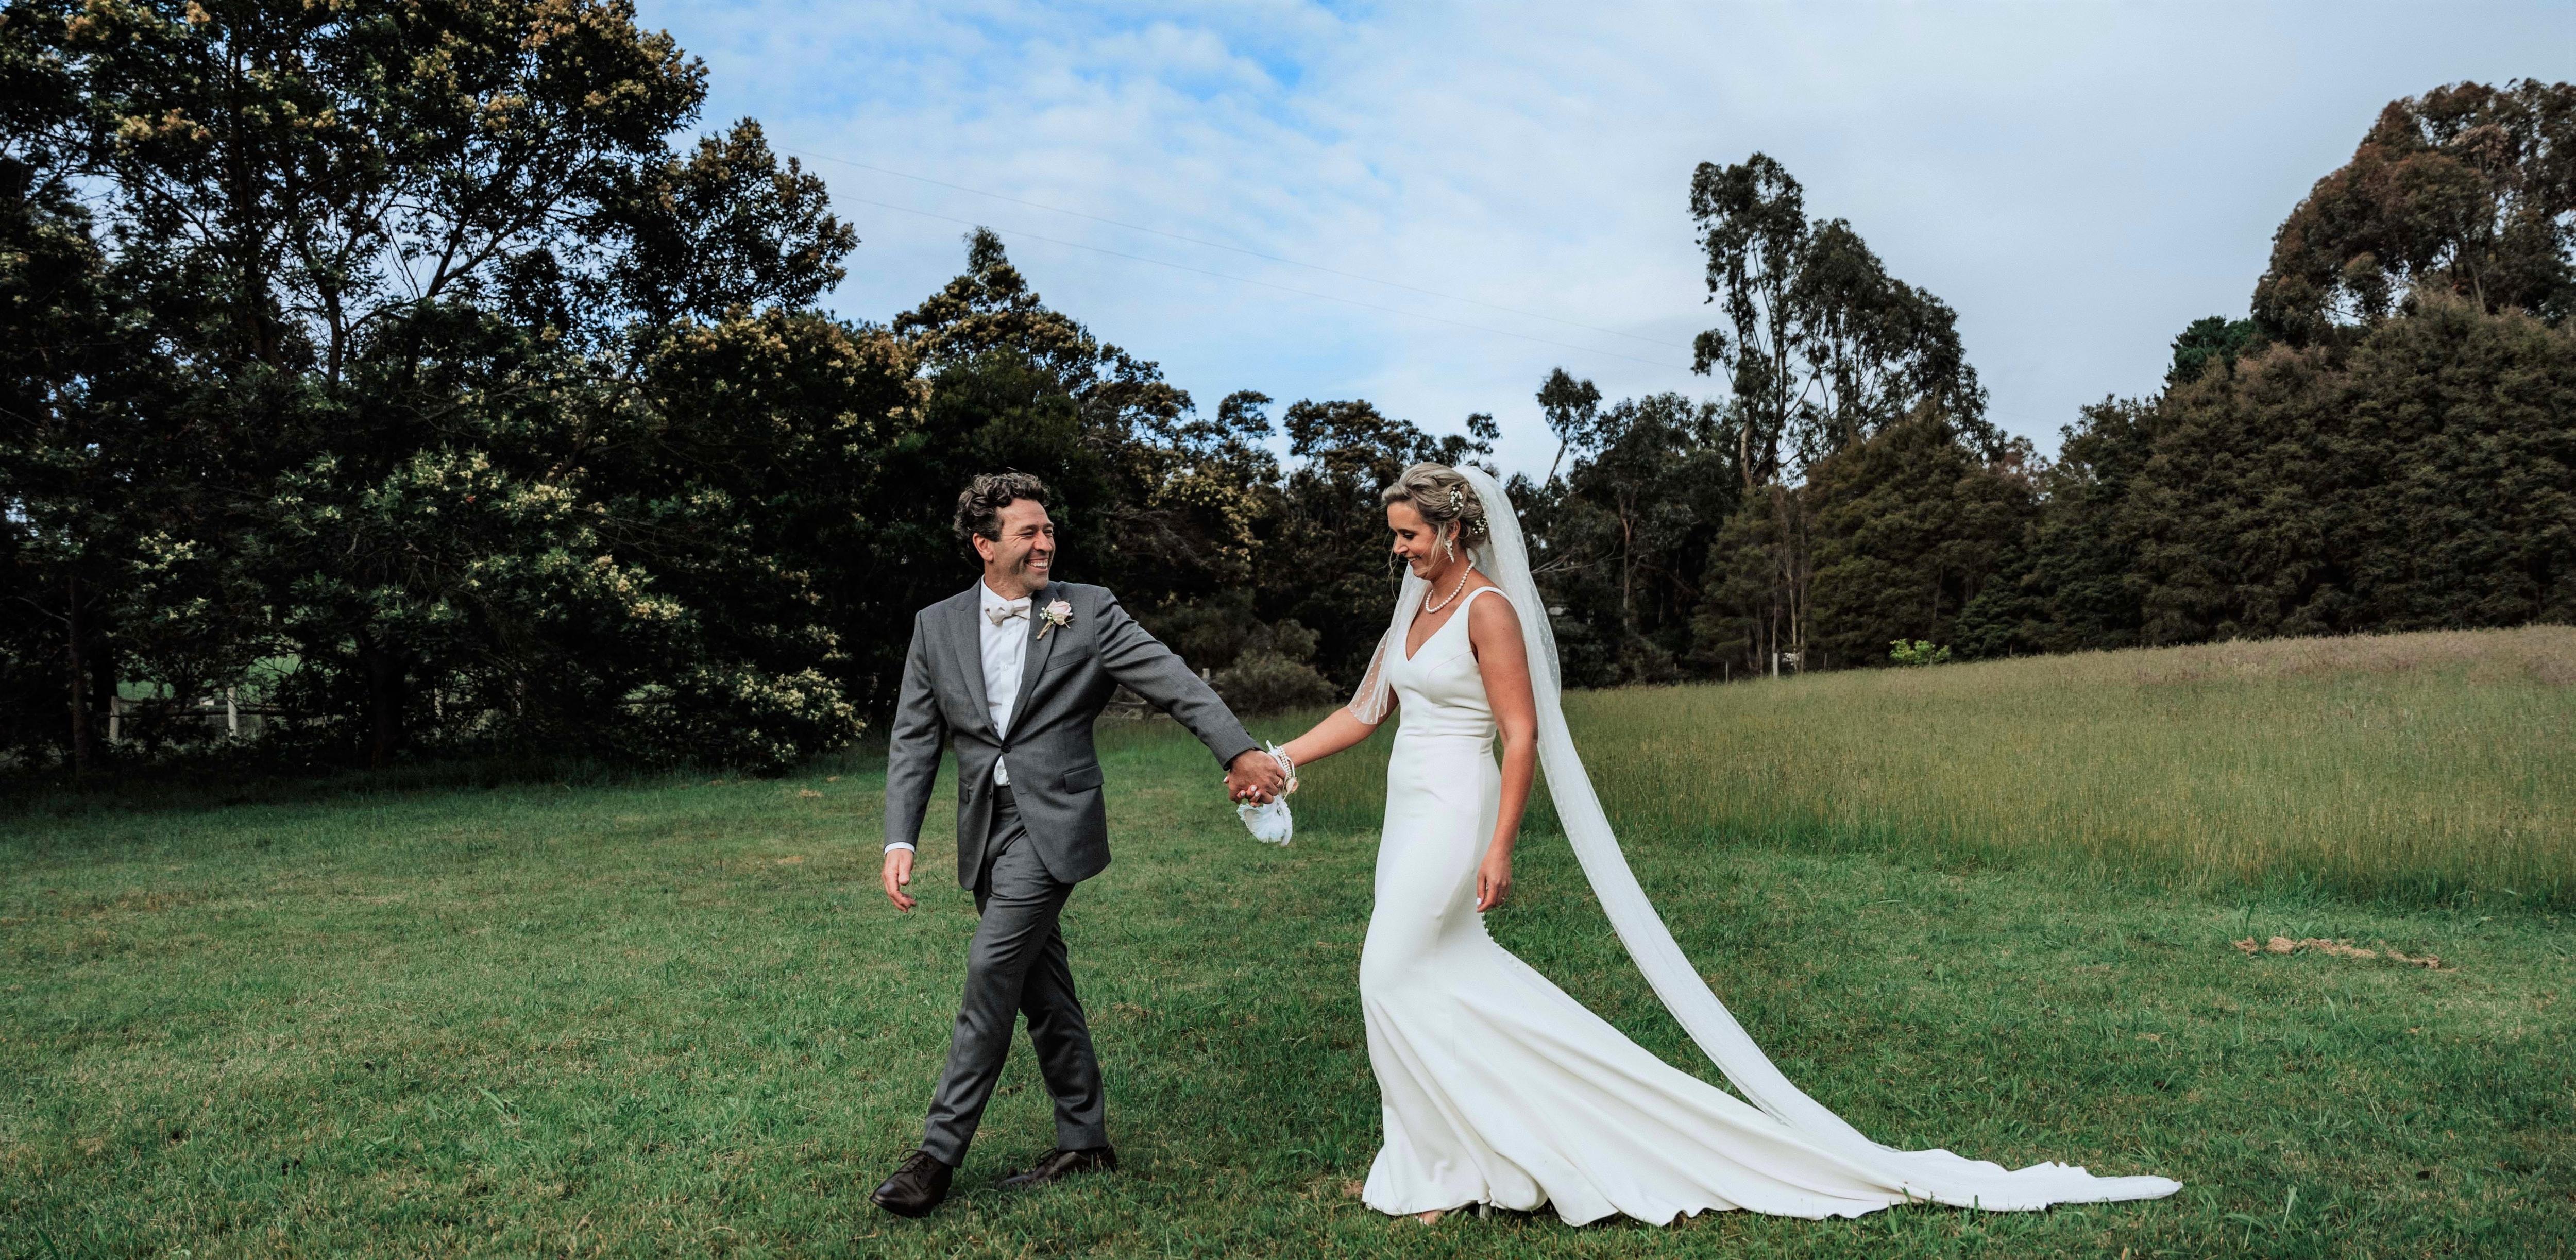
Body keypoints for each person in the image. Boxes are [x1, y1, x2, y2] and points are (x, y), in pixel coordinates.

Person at [1265, 462, 2182, 1226]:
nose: (1399, 550)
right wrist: (1277, 759)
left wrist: (1501, 844)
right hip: (1406, 810)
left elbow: (1522, 734)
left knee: (1384, 974)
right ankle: (1454, 1159)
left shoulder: (1487, 610)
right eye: (1395, 537)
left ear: (1453, 531)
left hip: (1461, 806)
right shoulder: (1413, 606)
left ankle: (1452, 1162)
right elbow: (1363, 709)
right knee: (1433, 979)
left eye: (1409, 537)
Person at [868, 472, 1287, 1218]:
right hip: (983, 828)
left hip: (1051, 822)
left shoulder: (1086, 610)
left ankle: (935, 1156)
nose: (1045, 542)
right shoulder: (935, 626)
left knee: (992, 967)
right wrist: (901, 836)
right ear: (984, 544)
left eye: (1049, 529)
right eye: (1027, 532)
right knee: (1041, 985)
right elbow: (913, 738)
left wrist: (1236, 752)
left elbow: (1174, 681)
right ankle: (1086, 1138)